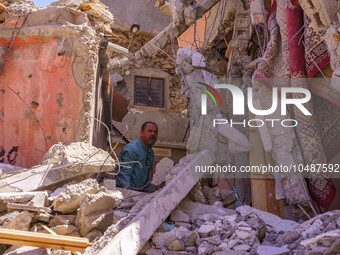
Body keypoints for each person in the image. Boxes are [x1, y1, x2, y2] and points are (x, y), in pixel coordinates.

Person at [115, 121, 164, 192]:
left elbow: (145, 184)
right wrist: (131, 197)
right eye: (150, 131)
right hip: (125, 195)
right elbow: (123, 181)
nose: (153, 134)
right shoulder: (132, 150)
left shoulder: (150, 153)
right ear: (141, 133)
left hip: (138, 194)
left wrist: (156, 188)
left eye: (155, 132)